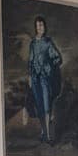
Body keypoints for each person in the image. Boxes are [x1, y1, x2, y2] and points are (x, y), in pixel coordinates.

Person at [27, 16, 62, 144]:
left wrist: (50, 66)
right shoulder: (32, 43)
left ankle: (47, 136)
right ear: (35, 28)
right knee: (40, 107)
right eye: (38, 25)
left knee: (47, 106)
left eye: (41, 25)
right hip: (35, 79)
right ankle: (43, 132)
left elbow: (58, 58)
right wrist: (30, 77)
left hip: (45, 79)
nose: (40, 27)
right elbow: (30, 61)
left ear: (44, 27)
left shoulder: (48, 42)